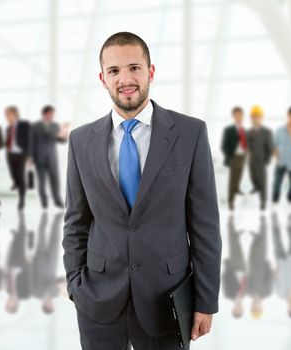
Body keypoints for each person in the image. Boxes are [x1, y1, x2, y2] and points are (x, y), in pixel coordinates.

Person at [63, 32, 221, 349]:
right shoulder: (81, 141)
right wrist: (75, 285)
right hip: (98, 299)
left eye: (134, 67)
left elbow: (204, 224)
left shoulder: (190, 133)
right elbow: (76, 221)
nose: (125, 79)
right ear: (103, 78)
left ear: (150, 71)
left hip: (166, 300)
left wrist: (205, 300)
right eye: (114, 71)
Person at [28, 105, 69, 209]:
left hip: (52, 157)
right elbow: (31, 142)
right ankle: (44, 201)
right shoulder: (35, 126)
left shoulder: (55, 125)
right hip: (39, 157)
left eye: (53, 114)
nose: (51, 116)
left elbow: (60, 140)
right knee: (41, 180)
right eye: (50, 113)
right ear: (44, 114)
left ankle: (57, 200)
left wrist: (64, 135)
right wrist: (30, 157)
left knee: (55, 179)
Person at [271, 213, 291, 319]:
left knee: (276, 238)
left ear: (288, 309)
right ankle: (290, 214)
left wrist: (276, 271)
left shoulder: (279, 294)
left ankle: (274, 216)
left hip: (280, 261)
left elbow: (273, 279)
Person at [246, 105, 274, 210]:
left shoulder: (266, 132)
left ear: (261, 117)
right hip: (252, 160)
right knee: (253, 176)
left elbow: (270, 148)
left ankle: (263, 201)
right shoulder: (249, 132)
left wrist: (266, 160)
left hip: (261, 160)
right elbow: (247, 145)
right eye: (253, 116)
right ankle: (256, 186)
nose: (255, 118)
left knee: (262, 181)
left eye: (257, 116)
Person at [220, 106, 248, 210]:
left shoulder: (243, 129)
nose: (238, 117)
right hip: (234, 157)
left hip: (242, 156)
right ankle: (230, 200)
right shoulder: (229, 130)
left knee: (239, 176)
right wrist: (230, 156)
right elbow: (224, 145)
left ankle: (236, 189)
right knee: (233, 179)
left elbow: (245, 142)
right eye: (236, 115)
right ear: (233, 116)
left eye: (240, 115)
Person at [4, 106, 31, 210]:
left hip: (21, 154)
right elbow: (8, 140)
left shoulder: (24, 124)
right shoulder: (8, 128)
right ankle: (16, 182)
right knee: (13, 173)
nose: (7, 117)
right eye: (6, 115)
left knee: (20, 175)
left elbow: (29, 139)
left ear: (15, 114)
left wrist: (29, 155)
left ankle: (22, 200)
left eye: (8, 114)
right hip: (10, 154)